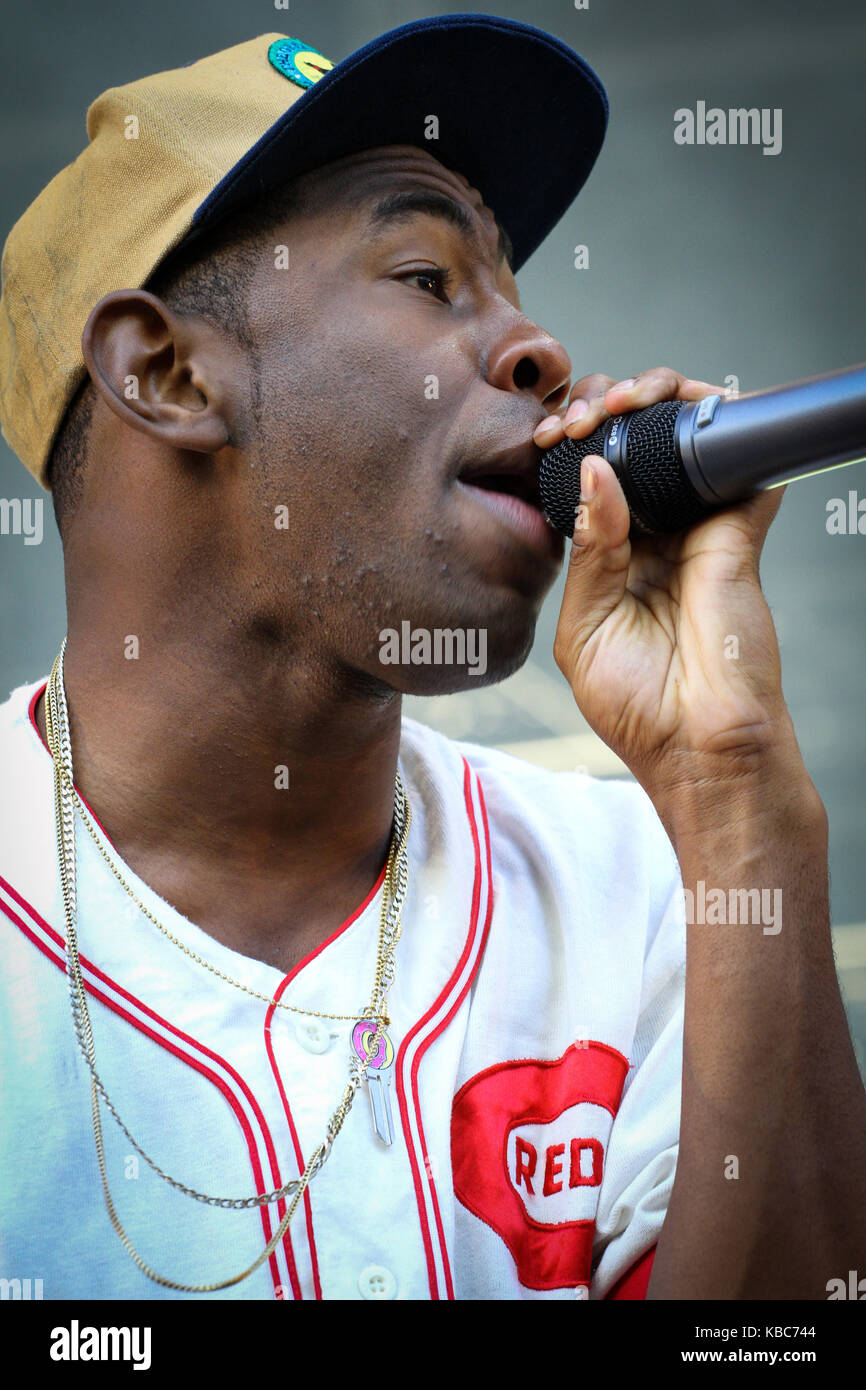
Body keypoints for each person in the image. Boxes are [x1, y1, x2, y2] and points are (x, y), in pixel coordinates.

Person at [0, 15, 863, 1303]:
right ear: (167, 373)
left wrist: (736, 792)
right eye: (426, 276)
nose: (543, 351)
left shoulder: (645, 882)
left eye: (513, 284)